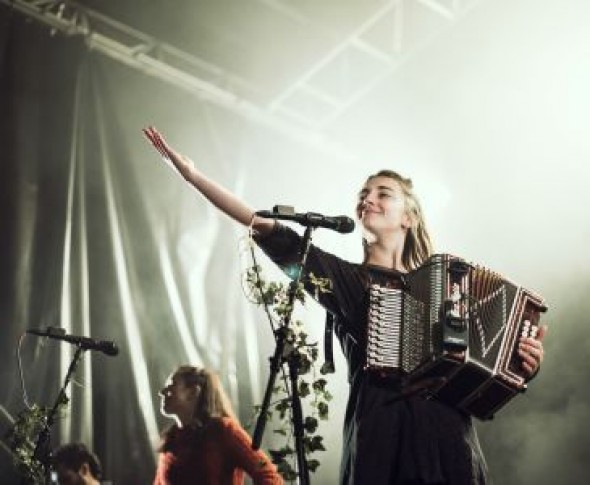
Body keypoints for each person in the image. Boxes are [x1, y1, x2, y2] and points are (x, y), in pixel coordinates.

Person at [143, 126, 547, 485]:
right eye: (363, 195)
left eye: (382, 194)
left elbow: (487, 368)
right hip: (382, 439)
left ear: (409, 216)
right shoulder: (343, 278)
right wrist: (192, 176)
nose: (368, 199)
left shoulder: (448, 289)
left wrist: (522, 360)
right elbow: (260, 224)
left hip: (449, 444)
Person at [154, 365, 283, 485]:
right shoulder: (171, 440)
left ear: (193, 392)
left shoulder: (223, 430)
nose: (162, 392)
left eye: (171, 385)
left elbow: (269, 475)